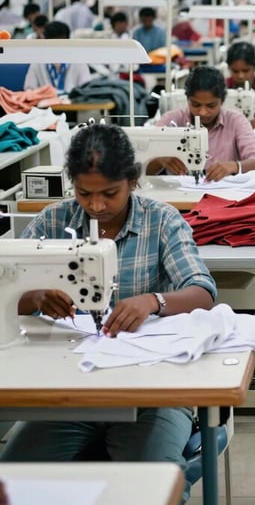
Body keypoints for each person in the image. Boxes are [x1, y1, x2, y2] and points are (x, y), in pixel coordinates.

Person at [0, 123, 217, 502]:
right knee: (12, 486)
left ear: (132, 181)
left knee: (152, 491)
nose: (96, 206)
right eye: (85, 193)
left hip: (154, 391)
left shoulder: (161, 221)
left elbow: (202, 292)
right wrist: (34, 296)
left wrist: (154, 301)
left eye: (109, 193)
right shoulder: (53, 221)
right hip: (67, 390)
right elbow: (7, 286)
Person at [150, 66, 255, 180]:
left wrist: (234, 166)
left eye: (211, 106)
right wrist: (160, 160)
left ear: (222, 101)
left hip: (223, 192)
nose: (202, 112)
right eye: (196, 104)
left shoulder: (236, 121)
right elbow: (142, 166)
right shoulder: (171, 121)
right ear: (187, 99)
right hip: (177, 192)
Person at [23, 21, 93, 93]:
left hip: (72, 100)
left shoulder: (78, 62)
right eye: (53, 45)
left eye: (61, 44)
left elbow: (86, 89)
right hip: (45, 99)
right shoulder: (37, 63)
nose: (57, 49)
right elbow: (29, 89)